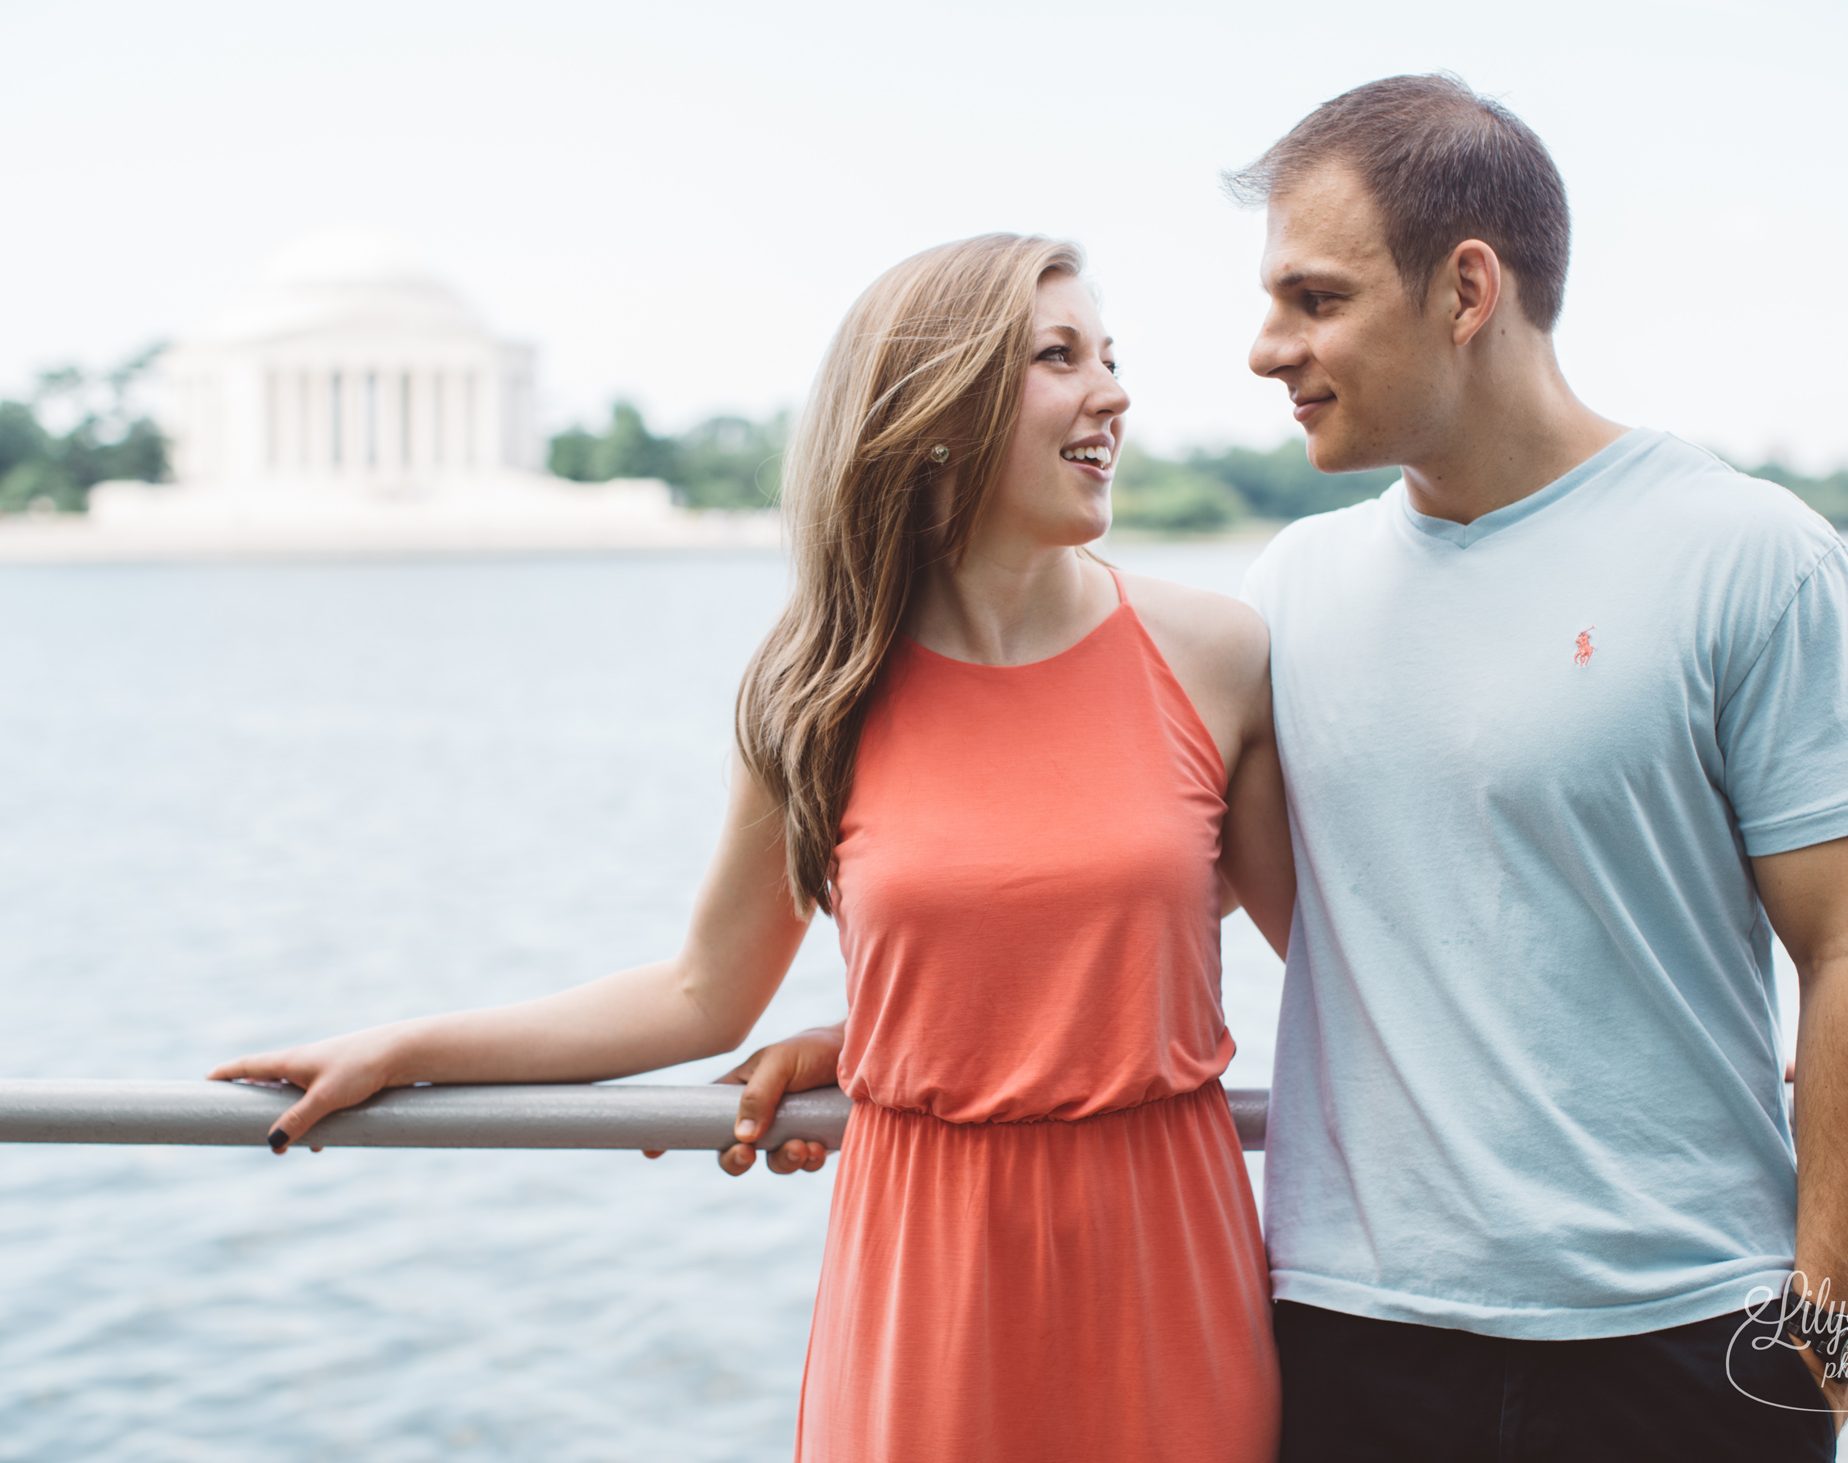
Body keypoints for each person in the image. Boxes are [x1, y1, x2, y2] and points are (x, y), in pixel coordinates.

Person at [730, 77, 1848, 1462]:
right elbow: (1134, 882)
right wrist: (920, 1030)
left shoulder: (1747, 555)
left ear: (1464, 291)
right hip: (1352, 1339)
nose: (1262, 348)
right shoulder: (1292, 594)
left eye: (1313, 299)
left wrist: (1824, 1361)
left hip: (1678, 1340)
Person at [210, 233, 1293, 1463]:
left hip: (1164, 1248)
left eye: (1109, 354)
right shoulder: (815, 692)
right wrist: (405, 1046)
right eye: (1060, 356)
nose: (1114, 391)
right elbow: (698, 995)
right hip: (925, 1267)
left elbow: (1343, 967)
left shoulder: (1216, 656)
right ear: (934, 410)